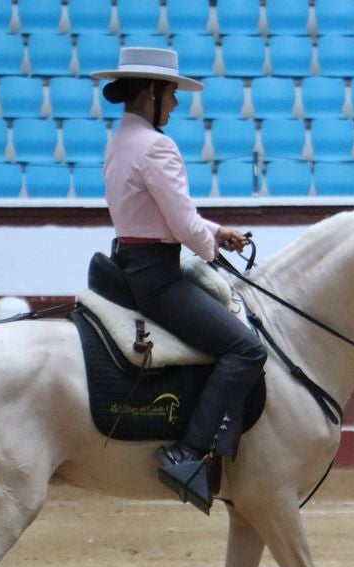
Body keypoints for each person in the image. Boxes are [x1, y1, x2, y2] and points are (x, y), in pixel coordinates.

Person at [93, 48, 267, 514]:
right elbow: (183, 225)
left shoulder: (120, 140)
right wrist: (211, 249)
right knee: (247, 349)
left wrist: (215, 232)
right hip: (159, 276)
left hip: (132, 262)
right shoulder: (157, 145)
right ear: (151, 91)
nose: (174, 105)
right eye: (171, 94)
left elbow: (170, 218)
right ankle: (187, 453)